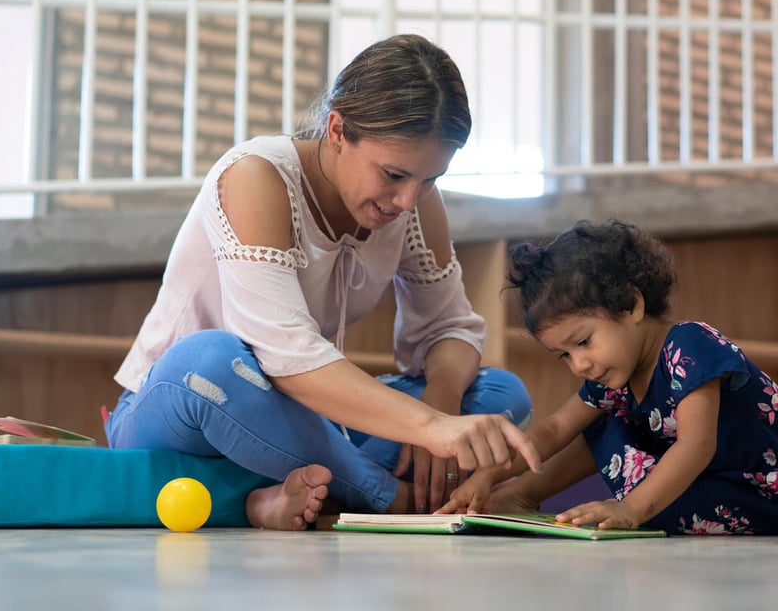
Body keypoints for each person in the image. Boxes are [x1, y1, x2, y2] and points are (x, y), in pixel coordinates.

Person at [105, 33, 539, 530]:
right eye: (394, 174)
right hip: (191, 408)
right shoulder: (257, 177)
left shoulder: (414, 205)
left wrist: (441, 403)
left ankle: (277, 496)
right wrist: (430, 428)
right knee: (211, 360)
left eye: (430, 180)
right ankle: (387, 501)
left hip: (302, 430)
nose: (408, 201)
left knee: (497, 396)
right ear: (336, 131)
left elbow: (451, 329)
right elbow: (286, 356)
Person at [439, 219, 778, 535]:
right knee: (603, 420)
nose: (579, 364)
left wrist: (630, 509)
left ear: (632, 305)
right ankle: (522, 494)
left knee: (619, 451)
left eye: (584, 342)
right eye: (565, 356)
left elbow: (696, 446)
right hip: (708, 480)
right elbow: (554, 430)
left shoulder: (691, 345)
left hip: (765, 491)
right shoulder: (615, 377)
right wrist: (486, 477)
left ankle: (626, 507)